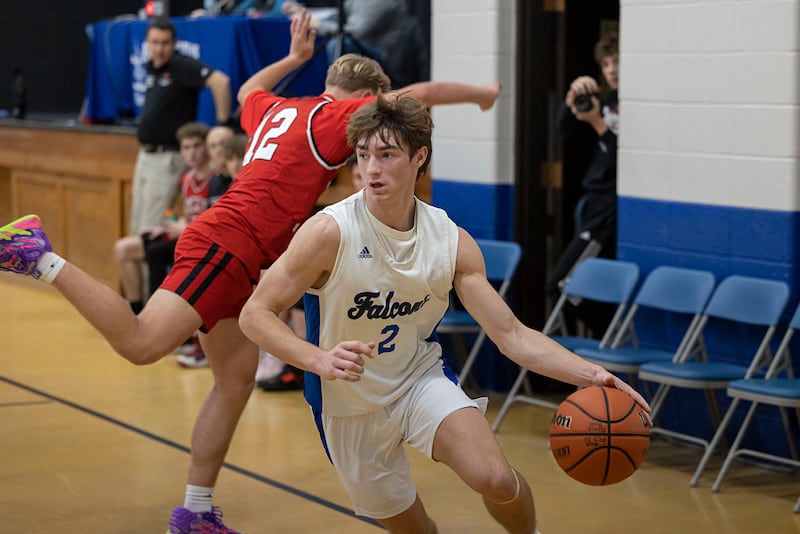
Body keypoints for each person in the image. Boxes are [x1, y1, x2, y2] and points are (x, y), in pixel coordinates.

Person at [0, 11, 500, 532]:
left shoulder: (279, 108)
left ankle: (195, 513)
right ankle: (39, 255)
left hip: (240, 250)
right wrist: (482, 94)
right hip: (228, 243)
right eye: (371, 111)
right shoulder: (334, 117)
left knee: (234, 383)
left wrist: (294, 58)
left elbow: (246, 92)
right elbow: (420, 94)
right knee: (142, 343)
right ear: (363, 98)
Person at [238, 94, 650, 533]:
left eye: (386, 155)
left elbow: (511, 335)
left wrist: (592, 375)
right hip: (347, 405)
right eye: (363, 155)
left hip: (417, 380)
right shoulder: (329, 232)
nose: (371, 169)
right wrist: (317, 358)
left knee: (496, 478)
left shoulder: (449, 240)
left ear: (420, 157)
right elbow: (255, 314)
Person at [130, 16, 231, 235]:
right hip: (145, 155)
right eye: (155, 43)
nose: (160, 49)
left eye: (165, 43)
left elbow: (220, 82)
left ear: (174, 44)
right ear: (147, 44)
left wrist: (222, 124)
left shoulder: (180, 65)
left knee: (148, 231)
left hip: (168, 158)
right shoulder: (153, 68)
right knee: (136, 225)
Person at [114, 121, 214, 315]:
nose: (192, 153)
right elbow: (181, 213)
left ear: (206, 148)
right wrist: (165, 226)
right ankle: (136, 310)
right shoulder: (186, 179)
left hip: (201, 239)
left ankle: (158, 314)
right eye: (186, 148)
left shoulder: (216, 178)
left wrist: (186, 227)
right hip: (184, 233)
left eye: (196, 146)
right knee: (123, 249)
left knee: (156, 253)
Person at [547, 32, 620, 299]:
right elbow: (567, 131)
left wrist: (598, 124)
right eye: (606, 64)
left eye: (617, 62)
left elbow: (624, 159)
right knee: (578, 291)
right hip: (593, 202)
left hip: (610, 210)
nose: (611, 70)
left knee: (561, 287)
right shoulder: (606, 102)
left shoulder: (638, 106)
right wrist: (572, 99)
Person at [282, 0, 429, 88]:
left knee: (339, 43)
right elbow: (339, 17)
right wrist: (303, 12)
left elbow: (353, 31)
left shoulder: (381, 2)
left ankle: (340, 93)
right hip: (367, 52)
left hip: (386, 63)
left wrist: (316, 24)